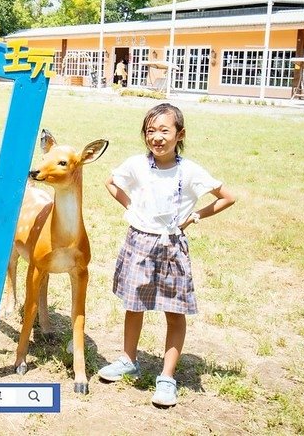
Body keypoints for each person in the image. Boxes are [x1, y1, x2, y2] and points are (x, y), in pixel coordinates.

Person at [98, 103, 235, 407]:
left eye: (164, 130)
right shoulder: (136, 164)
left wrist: (195, 216)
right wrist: (131, 206)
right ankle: (127, 360)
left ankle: (167, 377)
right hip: (139, 243)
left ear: (179, 134)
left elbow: (228, 197)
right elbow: (110, 182)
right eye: (150, 131)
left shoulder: (189, 171)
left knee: (175, 312)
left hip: (172, 247)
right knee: (134, 305)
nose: (156, 137)